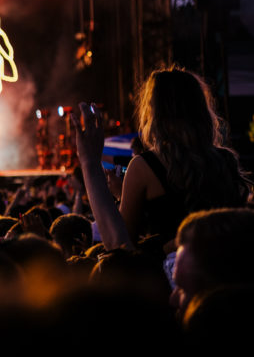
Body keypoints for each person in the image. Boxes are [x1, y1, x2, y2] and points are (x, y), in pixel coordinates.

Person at [92, 67, 249, 249]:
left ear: (155, 113)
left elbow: (122, 247)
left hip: (171, 275)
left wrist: (119, 194)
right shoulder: (225, 160)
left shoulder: (143, 167)